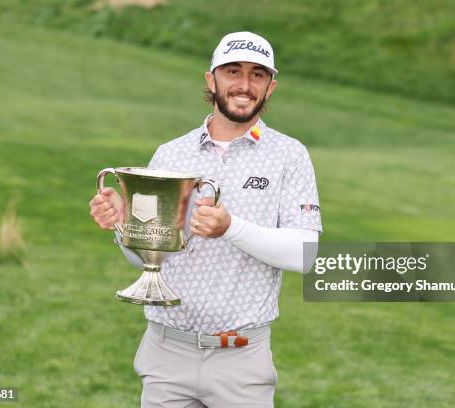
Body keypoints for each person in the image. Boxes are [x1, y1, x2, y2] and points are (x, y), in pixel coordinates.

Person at [89, 31, 322, 408]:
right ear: (211, 79)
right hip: (166, 353)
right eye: (233, 71)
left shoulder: (289, 156)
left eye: (257, 74)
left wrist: (230, 228)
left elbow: (305, 254)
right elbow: (148, 258)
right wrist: (122, 225)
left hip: (242, 359)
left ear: (271, 86)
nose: (244, 85)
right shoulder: (171, 153)